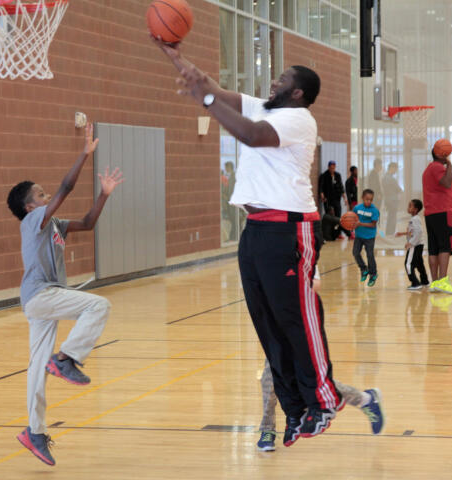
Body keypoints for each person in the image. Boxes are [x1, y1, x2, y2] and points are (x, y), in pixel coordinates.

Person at [152, 39, 344, 446]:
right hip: (256, 229)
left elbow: (252, 135)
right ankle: (295, 411)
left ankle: (323, 400)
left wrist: (204, 99)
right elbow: (211, 87)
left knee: (296, 318)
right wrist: (173, 53)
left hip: (289, 228)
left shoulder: (298, 119)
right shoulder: (266, 105)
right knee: (268, 324)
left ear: (298, 92)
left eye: (284, 79)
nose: (275, 80)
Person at [6, 123, 124, 466]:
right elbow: (66, 187)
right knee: (100, 305)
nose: (47, 199)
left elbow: (87, 223)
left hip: (42, 301)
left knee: (35, 369)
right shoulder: (32, 223)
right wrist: (84, 155)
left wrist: (104, 194)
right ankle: (67, 358)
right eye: (41, 196)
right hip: (41, 295)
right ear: (31, 208)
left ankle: (35, 432)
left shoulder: (53, 225)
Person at [256, 266, 384, 451]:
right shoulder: (262, 252)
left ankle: (365, 399)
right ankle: (365, 399)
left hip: (298, 325)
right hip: (274, 325)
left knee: (303, 379)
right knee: (272, 377)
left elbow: (315, 284)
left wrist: (285, 288)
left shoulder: (301, 250)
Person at [422, 141, 452, 295]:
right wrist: (449, 165)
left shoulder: (428, 169)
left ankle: (436, 282)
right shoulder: (438, 167)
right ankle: (443, 282)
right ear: (441, 154)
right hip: (443, 212)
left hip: (431, 214)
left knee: (434, 249)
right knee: (445, 247)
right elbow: (446, 182)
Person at [396, 199, 429, 291]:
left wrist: (410, 243)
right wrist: (402, 233)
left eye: (410, 206)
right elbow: (412, 232)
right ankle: (425, 281)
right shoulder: (415, 219)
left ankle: (415, 283)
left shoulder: (415, 219)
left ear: (415, 209)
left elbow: (418, 232)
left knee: (408, 264)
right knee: (419, 264)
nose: (408, 208)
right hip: (419, 245)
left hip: (415, 246)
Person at [352, 189, 380, 287]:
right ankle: (364, 269)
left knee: (370, 255)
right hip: (359, 236)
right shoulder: (357, 208)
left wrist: (360, 223)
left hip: (369, 237)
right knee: (355, 253)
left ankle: (373, 274)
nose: (369, 201)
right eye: (367, 199)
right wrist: (351, 225)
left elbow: (373, 224)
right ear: (362, 198)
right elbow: (352, 219)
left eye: (371, 200)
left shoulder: (374, 210)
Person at [382, 162, 403, 235]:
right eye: (396, 169)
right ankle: (390, 234)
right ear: (392, 168)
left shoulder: (386, 177)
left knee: (391, 217)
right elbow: (397, 188)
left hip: (389, 200)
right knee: (392, 218)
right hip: (392, 200)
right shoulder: (389, 178)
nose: (396, 171)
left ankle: (389, 234)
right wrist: (399, 190)